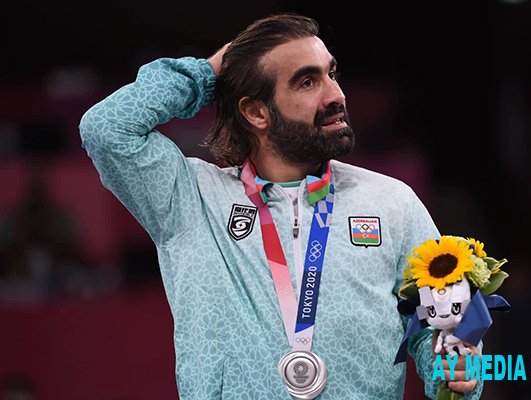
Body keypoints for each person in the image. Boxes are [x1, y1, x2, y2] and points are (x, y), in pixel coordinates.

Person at [79, 13, 482, 399]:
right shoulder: (190, 200)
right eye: (307, 82)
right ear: (256, 112)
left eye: (332, 74)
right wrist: (209, 70)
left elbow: (439, 327)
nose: (336, 95)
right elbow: (106, 129)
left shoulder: (392, 202)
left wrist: (456, 371)